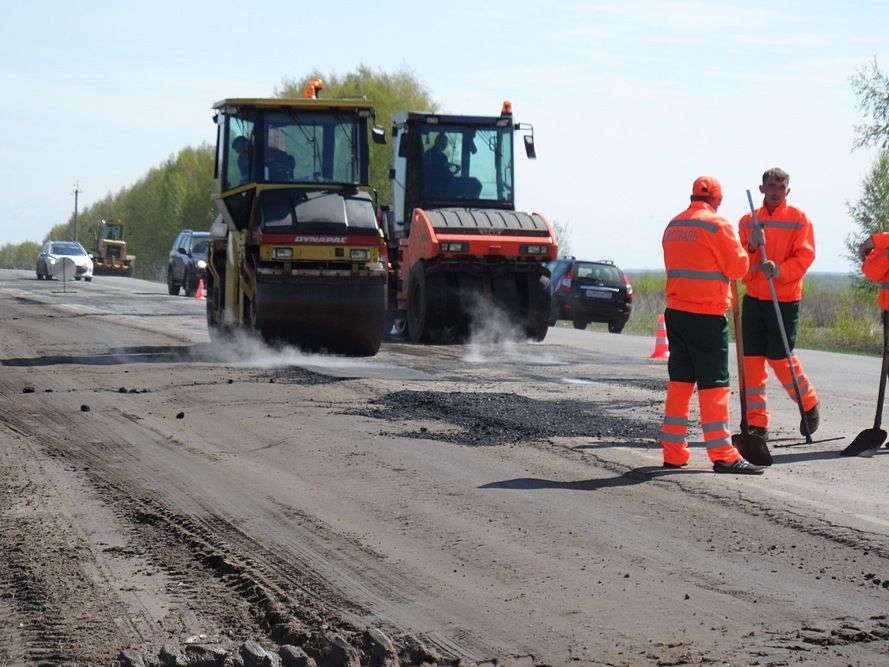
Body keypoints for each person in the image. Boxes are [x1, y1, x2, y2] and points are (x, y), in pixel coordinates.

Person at [659, 176, 764, 474]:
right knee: (715, 385)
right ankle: (722, 453)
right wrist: (751, 246)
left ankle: (673, 451)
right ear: (717, 200)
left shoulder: (674, 226)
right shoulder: (718, 225)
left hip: (676, 312)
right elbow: (738, 268)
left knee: (680, 381)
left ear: (692, 196)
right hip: (706, 316)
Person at [737, 167, 818, 441]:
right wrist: (751, 247)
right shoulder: (748, 221)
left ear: (788, 191)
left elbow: (805, 257)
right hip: (754, 299)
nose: (775, 191)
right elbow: (738, 263)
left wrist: (779, 270)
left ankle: (809, 405)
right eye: (771, 186)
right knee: (752, 362)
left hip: (783, 299)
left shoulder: (799, 219)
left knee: (781, 359)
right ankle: (757, 425)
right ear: (762, 189)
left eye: (781, 187)